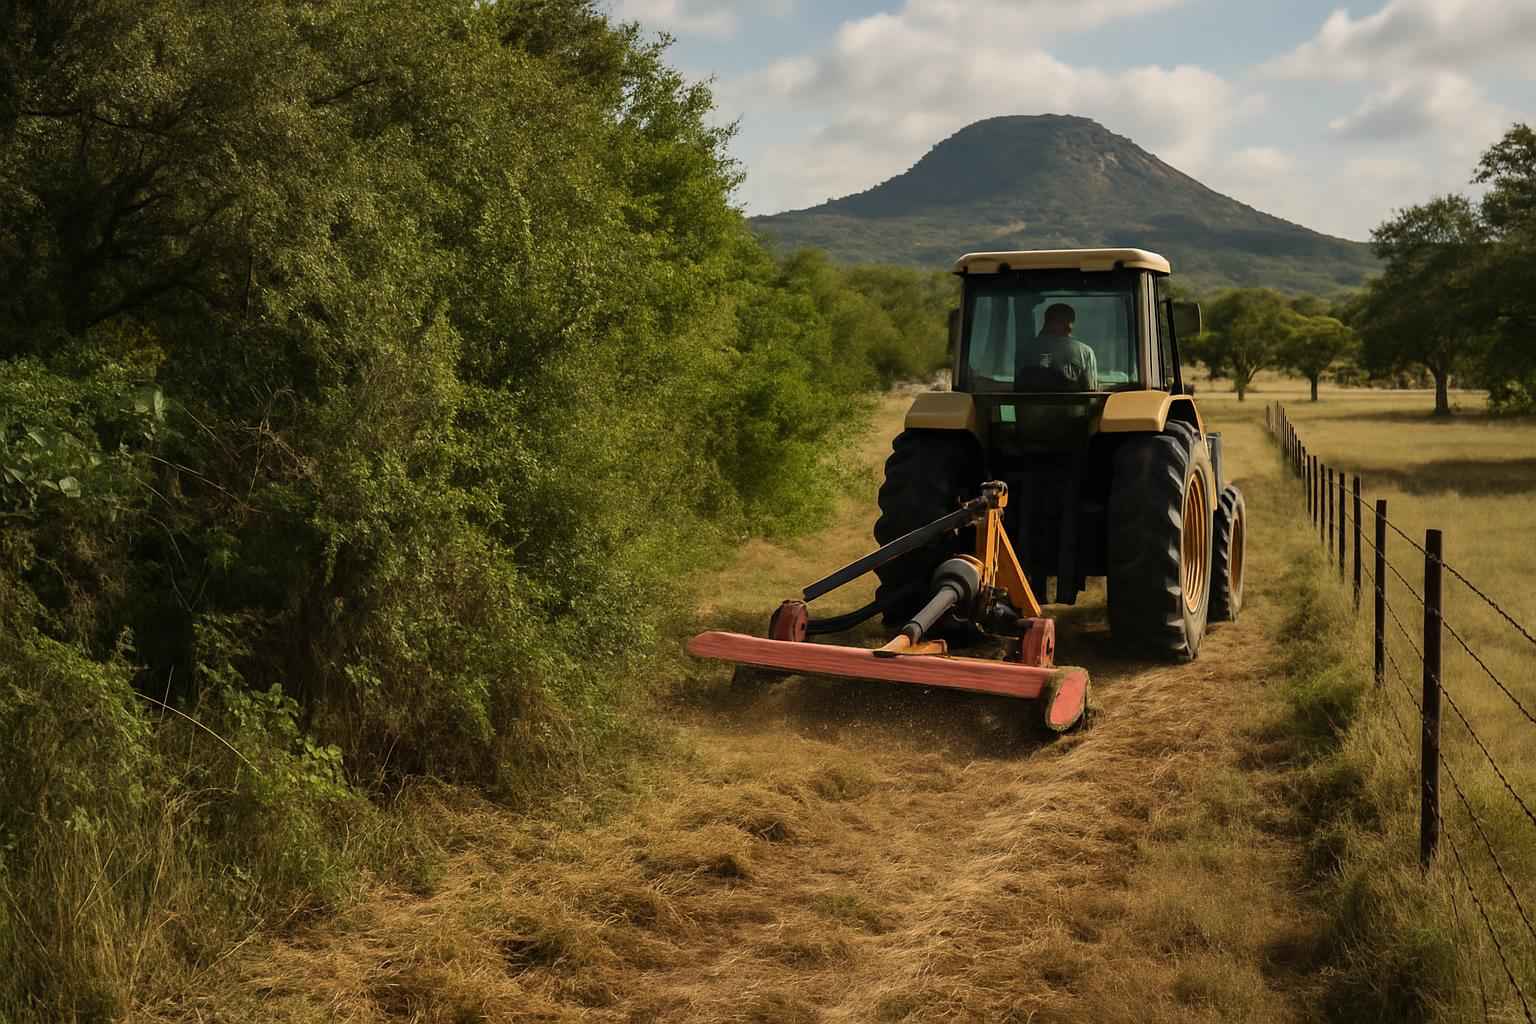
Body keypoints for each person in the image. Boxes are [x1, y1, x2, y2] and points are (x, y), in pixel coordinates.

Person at [1019, 302, 1097, 391]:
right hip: (1072, 404)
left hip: (1033, 404)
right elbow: (1091, 391)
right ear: (1069, 325)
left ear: (1046, 323)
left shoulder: (1025, 350)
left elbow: (1018, 388)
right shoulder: (1085, 352)